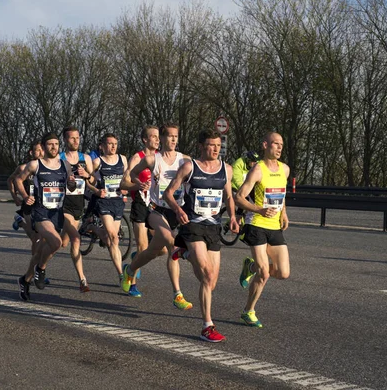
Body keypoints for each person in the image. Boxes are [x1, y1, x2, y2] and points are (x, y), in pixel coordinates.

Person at [163, 128, 238, 342]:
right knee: (206, 275)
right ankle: (207, 326)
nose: (215, 149)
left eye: (218, 145)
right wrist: (178, 210)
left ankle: (184, 253)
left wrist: (232, 217)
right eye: (210, 145)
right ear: (201, 146)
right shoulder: (190, 167)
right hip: (193, 225)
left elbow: (229, 196)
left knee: (212, 281)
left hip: (213, 227)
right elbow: (168, 193)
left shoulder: (227, 169)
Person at [120, 123, 193, 310]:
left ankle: (130, 269)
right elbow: (133, 174)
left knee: (153, 252)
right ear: (162, 139)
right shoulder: (153, 159)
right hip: (156, 210)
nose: (174, 139)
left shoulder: (185, 161)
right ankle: (178, 294)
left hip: (177, 210)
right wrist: (140, 183)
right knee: (172, 244)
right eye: (169, 136)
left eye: (176, 136)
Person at [235, 132, 290, 328]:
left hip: (274, 226)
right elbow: (239, 197)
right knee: (265, 273)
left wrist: (283, 213)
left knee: (283, 273)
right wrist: (259, 209)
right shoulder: (258, 170)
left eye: (281, 144)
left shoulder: (285, 170)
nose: (279, 147)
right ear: (265, 145)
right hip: (256, 224)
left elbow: (281, 195)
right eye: (275, 144)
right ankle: (249, 311)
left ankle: (250, 268)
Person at [15, 132, 76, 301]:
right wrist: (25, 196)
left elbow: (71, 187)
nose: (54, 147)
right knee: (56, 242)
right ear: (43, 147)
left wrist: (71, 183)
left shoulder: (65, 165)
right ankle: (40, 269)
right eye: (50, 144)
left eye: (56, 144)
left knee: (41, 249)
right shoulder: (35, 165)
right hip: (40, 211)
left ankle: (25, 279)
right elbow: (19, 180)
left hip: (56, 212)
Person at [87, 133, 128, 285]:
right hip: (103, 202)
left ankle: (93, 228)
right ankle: (121, 275)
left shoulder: (123, 159)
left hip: (117, 201)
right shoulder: (97, 161)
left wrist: (126, 188)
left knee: (112, 240)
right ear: (102, 146)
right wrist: (96, 190)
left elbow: (127, 178)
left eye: (115, 144)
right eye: (109, 144)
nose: (112, 147)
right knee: (113, 236)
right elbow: (88, 181)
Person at [124, 125, 160, 297]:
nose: (157, 139)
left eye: (158, 136)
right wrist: (137, 184)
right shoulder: (137, 158)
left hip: (155, 205)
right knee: (143, 246)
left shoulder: (161, 158)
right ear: (145, 139)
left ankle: (136, 258)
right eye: (153, 136)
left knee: (164, 248)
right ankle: (132, 283)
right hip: (140, 203)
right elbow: (123, 184)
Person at [59, 126, 95, 293]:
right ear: (65, 140)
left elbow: (94, 180)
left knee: (62, 242)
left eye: (77, 138)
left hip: (78, 205)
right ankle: (82, 279)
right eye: (72, 138)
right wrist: (65, 179)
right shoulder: (59, 159)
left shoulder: (85, 158)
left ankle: (40, 263)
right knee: (76, 239)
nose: (75, 141)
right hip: (63, 205)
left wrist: (87, 175)